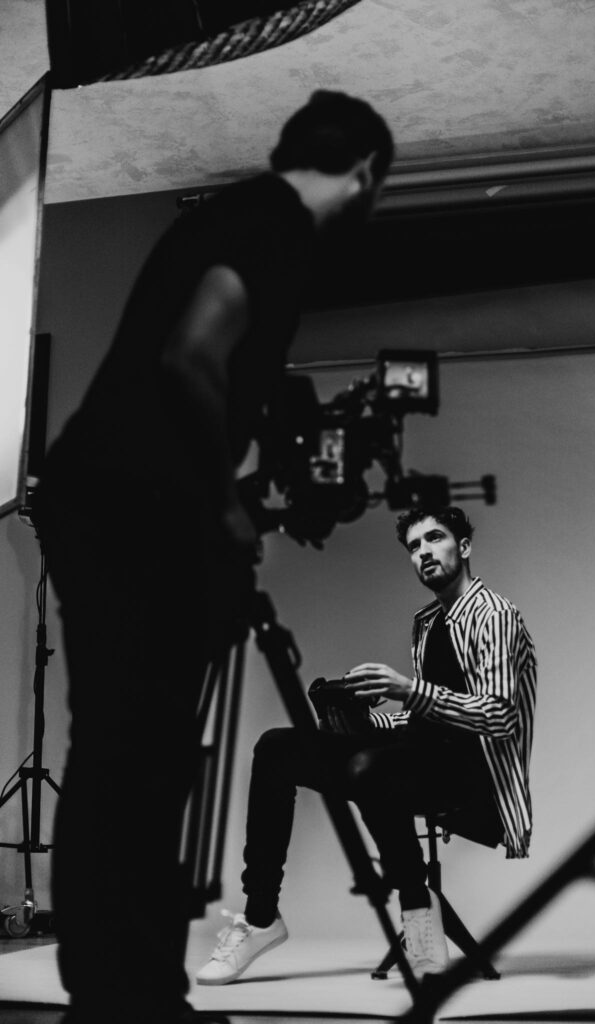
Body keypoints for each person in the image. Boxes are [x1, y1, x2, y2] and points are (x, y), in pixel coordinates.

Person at [32, 91, 394, 1024]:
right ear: (363, 174)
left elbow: (201, 377)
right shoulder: (273, 227)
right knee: (132, 755)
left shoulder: (238, 217)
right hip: (129, 513)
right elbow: (192, 359)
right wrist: (227, 512)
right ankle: (121, 996)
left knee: (129, 752)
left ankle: (126, 989)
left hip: (107, 501)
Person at [196, 505, 537, 985]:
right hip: (408, 761)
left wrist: (407, 688)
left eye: (435, 539)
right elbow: (425, 720)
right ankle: (260, 919)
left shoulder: (494, 615)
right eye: (414, 546)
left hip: (472, 779)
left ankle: (417, 905)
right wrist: (367, 717)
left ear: (464, 547)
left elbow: (498, 715)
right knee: (277, 748)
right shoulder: (428, 622)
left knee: (369, 769)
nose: (423, 553)